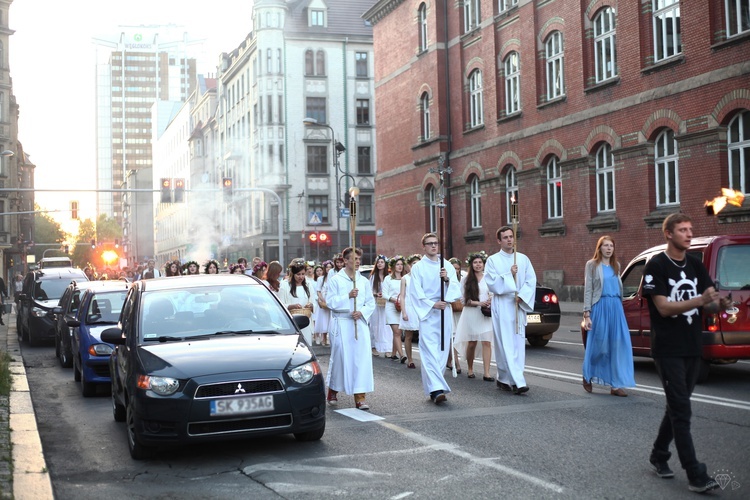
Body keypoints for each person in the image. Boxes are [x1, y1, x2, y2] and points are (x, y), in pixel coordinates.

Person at [643, 213, 726, 493]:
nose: (689, 234)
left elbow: (709, 305)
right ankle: (696, 474)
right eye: (682, 230)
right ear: (668, 233)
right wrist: (700, 299)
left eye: (691, 230)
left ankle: (658, 454)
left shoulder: (695, 264)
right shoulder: (656, 266)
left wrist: (719, 303)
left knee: (676, 407)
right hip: (668, 348)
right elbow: (664, 307)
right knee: (682, 409)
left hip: (693, 346)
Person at [407, 233, 461, 404]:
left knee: (442, 350)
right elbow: (415, 292)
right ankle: (437, 389)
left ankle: (434, 386)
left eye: (436, 243)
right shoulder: (418, 268)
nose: (433, 246)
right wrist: (432, 304)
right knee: (429, 351)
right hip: (429, 314)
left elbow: (455, 288)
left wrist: (446, 280)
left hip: (444, 312)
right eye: (429, 244)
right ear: (423, 246)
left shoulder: (447, 266)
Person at [485, 226, 536, 395]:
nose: (509, 239)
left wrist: (522, 295)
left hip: (517, 304)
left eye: (511, 236)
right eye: (505, 237)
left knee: (518, 344)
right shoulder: (493, 260)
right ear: (499, 241)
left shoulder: (523, 259)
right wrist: (509, 274)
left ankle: (504, 378)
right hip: (502, 304)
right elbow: (491, 282)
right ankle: (518, 382)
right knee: (505, 343)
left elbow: (531, 280)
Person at [582, 236, 635, 396]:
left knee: (617, 346)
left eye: (611, 245)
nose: (609, 248)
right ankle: (587, 374)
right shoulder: (592, 265)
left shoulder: (616, 266)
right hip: (600, 307)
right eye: (605, 245)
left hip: (616, 308)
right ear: (599, 248)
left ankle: (615, 385)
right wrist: (586, 314)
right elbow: (589, 289)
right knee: (600, 347)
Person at [325, 246, 375, 410]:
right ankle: (333, 389)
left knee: (361, 359)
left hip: (359, 323)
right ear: (345, 261)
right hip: (342, 322)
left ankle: (360, 397)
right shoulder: (335, 280)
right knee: (341, 359)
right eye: (354, 259)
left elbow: (370, 303)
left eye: (359, 259)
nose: (358, 262)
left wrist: (361, 312)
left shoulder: (364, 281)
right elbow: (330, 302)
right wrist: (347, 296)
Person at [455, 251, 494, 381]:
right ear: (471, 265)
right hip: (471, 313)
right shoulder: (466, 280)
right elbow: (463, 300)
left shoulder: (489, 277)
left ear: (483, 264)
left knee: (487, 342)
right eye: (475, 262)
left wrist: (490, 300)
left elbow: (493, 293)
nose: (478, 265)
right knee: (471, 343)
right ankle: (470, 368)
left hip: (485, 314)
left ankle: (487, 372)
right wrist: (478, 303)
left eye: (480, 262)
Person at [279, 261, 314, 344]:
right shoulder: (285, 285)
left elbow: (312, 301)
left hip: (306, 320)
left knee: (306, 344)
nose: (301, 277)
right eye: (298, 274)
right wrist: (291, 306)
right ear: (293, 274)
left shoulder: (308, 284)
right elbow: (281, 304)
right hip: (291, 321)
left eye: (303, 274)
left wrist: (311, 305)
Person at [398, 254, 422, 369]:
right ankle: (410, 360)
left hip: (421, 308)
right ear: (409, 265)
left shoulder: (423, 277)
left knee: (424, 335)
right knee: (408, 336)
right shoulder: (405, 278)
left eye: (418, 264)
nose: (416, 266)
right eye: (413, 264)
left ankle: (426, 359)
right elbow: (402, 296)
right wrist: (404, 312)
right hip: (409, 307)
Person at [383, 255, 406, 362]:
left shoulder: (405, 278)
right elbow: (384, 294)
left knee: (397, 332)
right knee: (397, 332)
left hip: (402, 307)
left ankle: (393, 354)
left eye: (401, 264)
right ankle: (402, 355)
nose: (400, 266)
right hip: (391, 307)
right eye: (397, 264)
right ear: (393, 266)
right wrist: (395, 300)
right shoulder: (388, 279)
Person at [369, 255, 393, 357]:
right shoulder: (373, 277)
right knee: (375, 325)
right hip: (376, 303)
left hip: (386, 304)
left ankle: (388, 348)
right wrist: (376, 294)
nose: (380, 264)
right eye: (378, 262)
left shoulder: (389, 277)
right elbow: (369, 291)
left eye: (382, 262)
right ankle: (374, 347)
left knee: (387, 326)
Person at [447, 257, 464, 373]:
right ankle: (456, 363)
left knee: (458, 336)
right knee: (452, 337)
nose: (456, 271)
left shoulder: (463, 278)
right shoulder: (447, 279)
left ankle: (449, 360)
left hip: (460, 310)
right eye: (454, 268)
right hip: (450, 310)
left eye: (458, 269)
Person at [313, 264, 332, 346]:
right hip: (323, 299)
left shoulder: (334, 278)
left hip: (331, 300)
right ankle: (323, 338)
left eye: (330, 267)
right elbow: (318, 290)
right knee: (324, 319)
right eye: (327, 267)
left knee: (330, 320)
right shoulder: (321, 279)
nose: (328, 269)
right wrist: (322, 299)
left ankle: (329, 338)